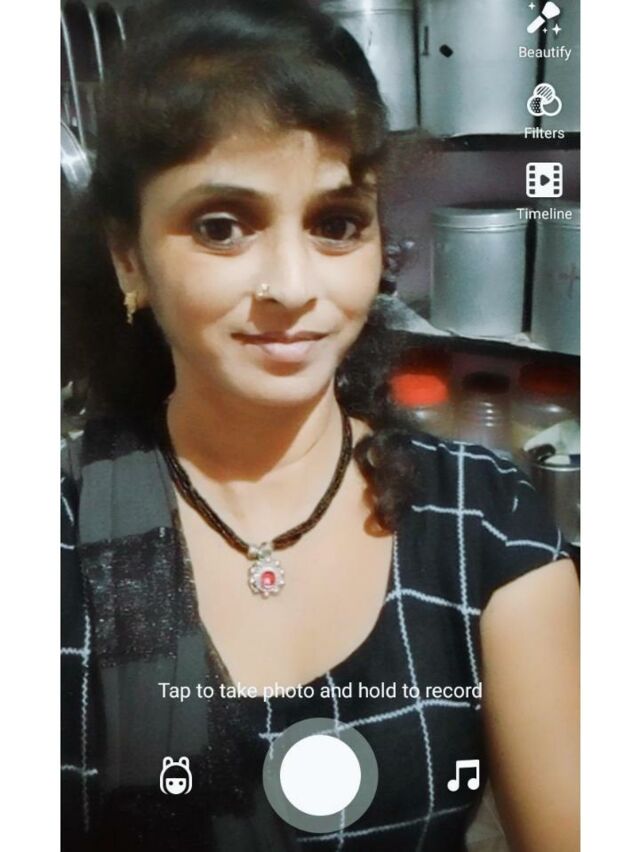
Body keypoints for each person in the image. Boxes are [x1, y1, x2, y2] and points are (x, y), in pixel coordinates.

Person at [61, 1, 579, 850]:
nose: (294, 286)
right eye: (222, 227)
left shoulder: (485, 522)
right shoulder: (58, 532)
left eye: (337, 225)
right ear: (129, 257)